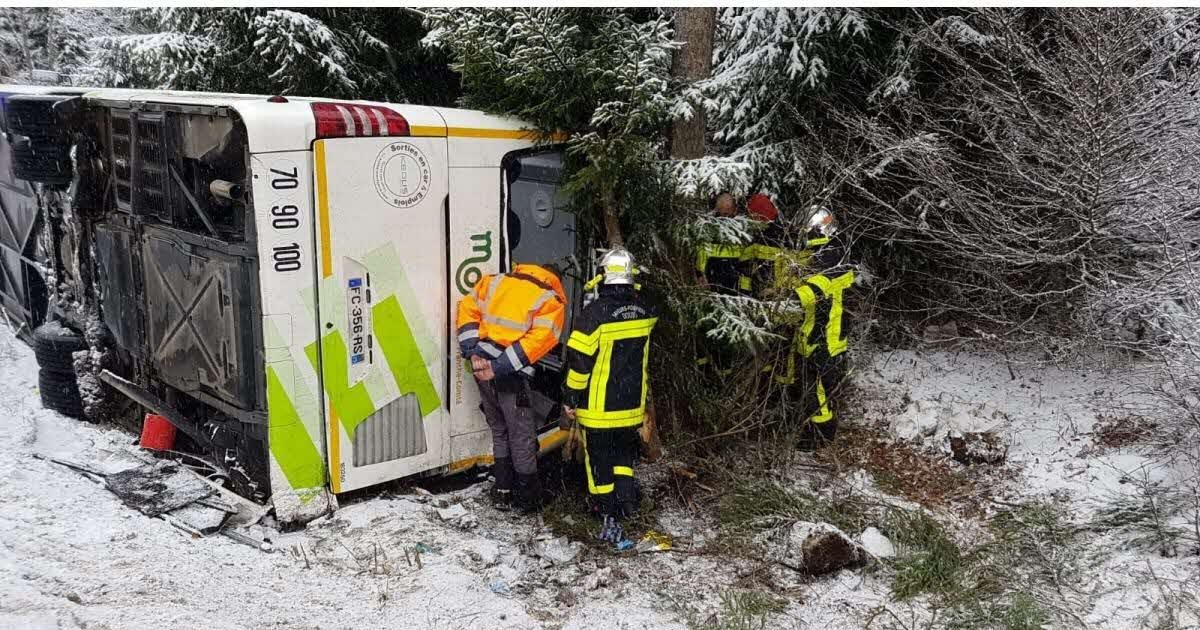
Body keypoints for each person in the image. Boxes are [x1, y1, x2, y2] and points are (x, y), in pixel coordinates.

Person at [562, 247, 657, 546]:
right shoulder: (646, 311)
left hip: (599, 408)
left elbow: (579, 365)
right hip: (630, 406)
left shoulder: (593, 317)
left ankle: (604, 511)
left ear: (602, 275)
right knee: (623, 457)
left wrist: (570, 398)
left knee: (599, 461)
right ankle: (627, 504)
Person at [456, 262, 567, 512]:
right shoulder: (551, 300)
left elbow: (467, 308)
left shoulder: (497, 281)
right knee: (522, 435)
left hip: (481, 367)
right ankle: (527, 498)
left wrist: (472, 352)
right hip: (508, 375)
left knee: (499, 429)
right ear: (555, 279)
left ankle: (502, 490)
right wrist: (499, 367)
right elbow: (534, 345)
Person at [793, 207, 855, 450]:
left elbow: (819, 284)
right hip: (820, 331)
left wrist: (791, 297)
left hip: (827, 333)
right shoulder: (822, 251)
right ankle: (816, 429)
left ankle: (821, 435)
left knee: (819, 386)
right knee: (815, 385)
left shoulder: (832, 255)